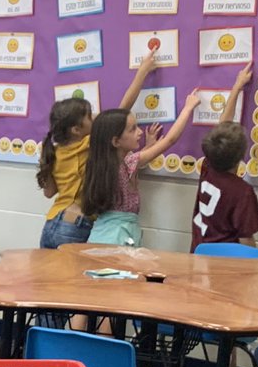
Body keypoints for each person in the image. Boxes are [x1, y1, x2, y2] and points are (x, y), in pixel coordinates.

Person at [37, 50, 159, 249]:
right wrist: (142, 73)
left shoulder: (50, 149)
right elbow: (123, 108)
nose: (95, 117)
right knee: (76, 280)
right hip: (76, 224)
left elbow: (49, 192)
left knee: (49, 279)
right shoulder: (89, 144)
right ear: (77, 130)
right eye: (89, 116)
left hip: (52, 223)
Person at [81, 88, 202, 246]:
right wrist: (188, 108)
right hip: (116, 239)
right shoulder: (126, 164)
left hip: (105, 234)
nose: (139, 132)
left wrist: (149, 146)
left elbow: (133, 163)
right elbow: (170, 140)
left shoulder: (103, 164)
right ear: (116, 141)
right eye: (132, 129)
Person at [191, 64, 258, 250]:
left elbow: (221, 126)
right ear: (241, 155)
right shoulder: (242, 191)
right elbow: (247, 240)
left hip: (198, 254)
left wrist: (237, 86)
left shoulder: (208, 168)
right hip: (225, 265)